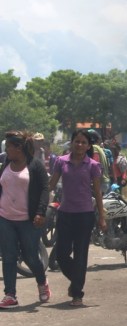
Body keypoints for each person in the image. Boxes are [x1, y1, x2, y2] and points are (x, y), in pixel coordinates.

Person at [48, 129, 106, 306]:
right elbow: (51, 185)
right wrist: (39, 202)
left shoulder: (92, 165)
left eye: (83, 142)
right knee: (61, 254)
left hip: (84, 215)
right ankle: (77, 281)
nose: (79, 145)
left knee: (81, 255)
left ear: (88, 146)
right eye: (77, 141)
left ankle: (77, 294)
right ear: (71, 143)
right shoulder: (61, 161)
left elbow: (97, 192)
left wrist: (102, 217)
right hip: (65, 213)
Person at [0, 131, 50, 309]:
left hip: (28, 219)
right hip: (5, 217)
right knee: (9, 256)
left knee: (30, 257)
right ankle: (10, 294)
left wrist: (40, 212)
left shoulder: (35, 166)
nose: (6, 151)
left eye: (9, 147)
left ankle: (42, 282)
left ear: (19, 148)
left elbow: (45, 189)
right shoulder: (6, 163)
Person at [87, 129, 112, 194]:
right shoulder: (99, 148)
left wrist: (94, 183)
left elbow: (96, 166)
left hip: (100, 183)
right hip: (103, 182)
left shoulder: (94, 148)